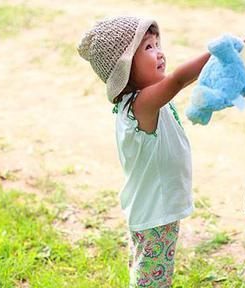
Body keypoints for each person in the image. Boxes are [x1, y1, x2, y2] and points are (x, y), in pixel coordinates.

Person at [77, 16, 211, 287]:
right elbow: (178, 80)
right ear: (124, 68)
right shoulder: (141, 105)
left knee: (147, 273)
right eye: (148, 47)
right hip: (154, 214)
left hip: (152, 210)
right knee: (153, 280)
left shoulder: (143, 102)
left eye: (158, 43)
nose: (160, 52)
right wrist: (217, 52)